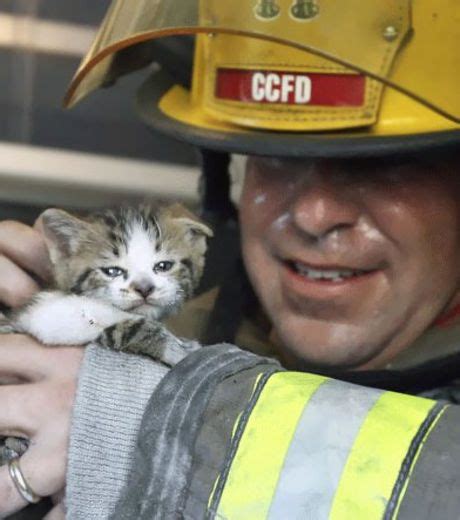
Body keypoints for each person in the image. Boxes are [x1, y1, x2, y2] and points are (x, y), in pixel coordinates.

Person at [1, 0, 459, 517]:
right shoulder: (114, 345)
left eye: (383, 165)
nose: (313, 214)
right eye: (277, 159)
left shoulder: (128, 389)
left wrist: (171, 429)